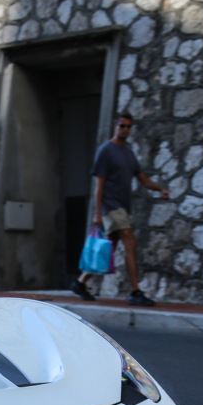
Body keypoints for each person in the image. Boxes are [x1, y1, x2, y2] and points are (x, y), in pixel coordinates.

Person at [70, 113, 170, 306]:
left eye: (128, 126)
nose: (125, 129)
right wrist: (97, 213)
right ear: (115, 127)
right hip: (110, 206)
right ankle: (135, 292)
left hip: (123, 208)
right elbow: (99, 184)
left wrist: (161, 189)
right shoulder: (106, 151)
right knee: (130, 242)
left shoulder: (128, 153)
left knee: (108, 248)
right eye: (122, 126)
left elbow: (143, 179)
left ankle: (80, 282)